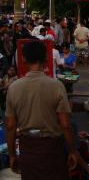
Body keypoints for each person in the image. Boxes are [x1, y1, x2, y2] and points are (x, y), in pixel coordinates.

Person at [5, 41, 77, 179]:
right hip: (53, 148)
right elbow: (65, 125)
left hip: (28, 148)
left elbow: (10, 126)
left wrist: (12, 154)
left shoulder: (14, 87)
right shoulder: (57, 86)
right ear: (45, 58)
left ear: (24, 59)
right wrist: (72, 151)